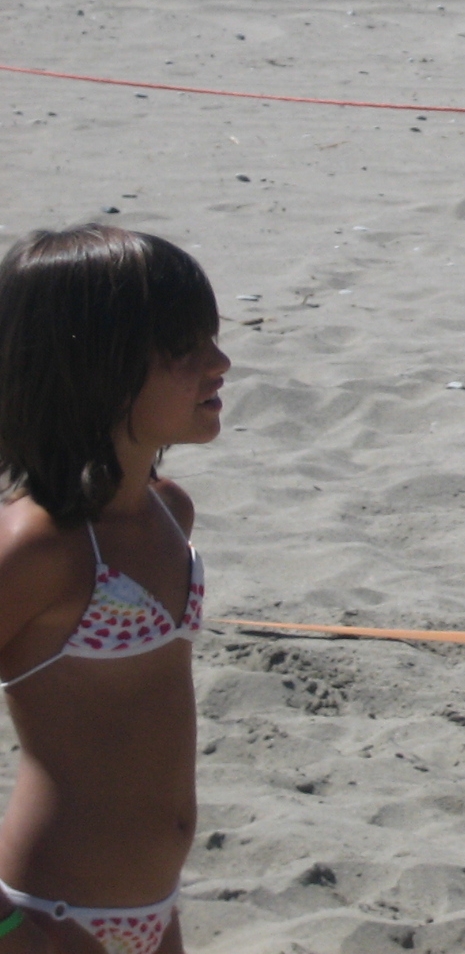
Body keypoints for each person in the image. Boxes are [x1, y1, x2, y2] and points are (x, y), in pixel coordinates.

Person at [0, 224, 230, 954]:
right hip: (49, 917)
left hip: (156, 909)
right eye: (185, 348)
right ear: (96, 367)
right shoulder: (39, 548)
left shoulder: (169, 511)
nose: (220, 363)